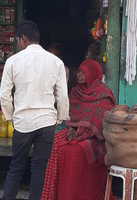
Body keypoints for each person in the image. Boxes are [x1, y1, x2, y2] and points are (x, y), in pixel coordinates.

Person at [0, 20, 69, 200]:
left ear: (23, 38)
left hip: (23, 122)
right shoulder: (56, 62)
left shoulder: (13, 61)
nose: (17, 44)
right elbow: (62, 95)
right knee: (39, 168)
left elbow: (5, 95)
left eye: (17, 40)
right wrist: (60, 117)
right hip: (47, 123)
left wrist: (11, 117)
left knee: (16, 167)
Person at [41, 59, 116, 200]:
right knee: (53, 144)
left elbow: (102, 122)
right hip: (75, 132)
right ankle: (53, 195)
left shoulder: (103, 93)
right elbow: (72, 116)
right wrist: (74, 130)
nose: (80, 74)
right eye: (79, 71)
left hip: (94, 137)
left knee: (75, 151)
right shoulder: (75, 92)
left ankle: (74, 195)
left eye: (84, 71)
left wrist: (81, 132)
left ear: (93, 73)